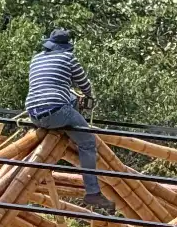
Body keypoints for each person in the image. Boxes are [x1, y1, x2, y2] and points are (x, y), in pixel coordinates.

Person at [25, 28, 116, 214]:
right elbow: (84, 84)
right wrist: (89, 96)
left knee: (70, 101)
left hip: (33, 113)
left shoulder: (36, 59)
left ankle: (67, 125)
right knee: (88, 142)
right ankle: (92, 191)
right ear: (66, 47)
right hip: (57, 112)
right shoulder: (68, 58)